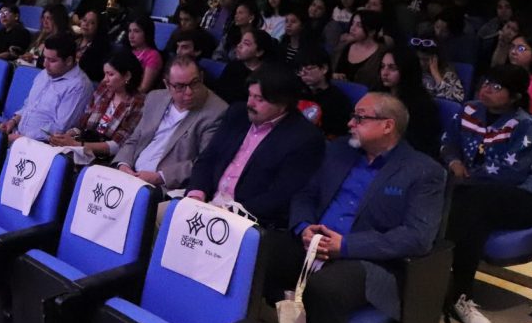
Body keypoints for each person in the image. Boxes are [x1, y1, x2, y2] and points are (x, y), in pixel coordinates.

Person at [266, 93, 446, 323]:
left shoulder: (424, 172)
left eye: (360, 118)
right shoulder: (340, 152)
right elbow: (305, 195)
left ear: (387, 125)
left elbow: (417, 237)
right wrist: (304, 227)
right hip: (316, 244)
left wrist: (346, 246)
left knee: (327, 288)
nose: (350, 123)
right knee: (258, 249)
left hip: (369, 261)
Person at [441, 65, 532, 323]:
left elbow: (510, 174)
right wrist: (453, 162)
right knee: (477, 218)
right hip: (475, 195)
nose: (486, 89)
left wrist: (466, 179)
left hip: (522, 199)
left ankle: (436, 271)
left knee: (474, 202)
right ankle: (459, 294)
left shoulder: (525, 127)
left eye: (497, 87)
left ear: (514, 97)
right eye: (486, 82)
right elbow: (449, 142)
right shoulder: (469, 111)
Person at [186, 63, 326, 228]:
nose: (250, 103)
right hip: (206, 203)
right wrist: (196, 194)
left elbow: (281, 195)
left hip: (246, 220)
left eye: (259, 99)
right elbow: (208, 158)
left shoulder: (305, 138)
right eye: (250, 95)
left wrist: (230, 212)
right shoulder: (237, 114)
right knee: (163, 219)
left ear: (283, 104)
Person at [112, 54, 227, 194]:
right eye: (180, 86)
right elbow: (135, 138)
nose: (189, 92)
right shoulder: (155, 98)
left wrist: (160, 177)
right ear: (167, 84)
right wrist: (123, 165)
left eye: (194, 83)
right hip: (130, 174)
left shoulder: (216, 112)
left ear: (202, 78)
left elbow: (204, 163)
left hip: (164, 187)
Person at [48, 48, 147, 162]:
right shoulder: (104, 89)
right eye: (105, 74)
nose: (105, 80)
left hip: (105, 158)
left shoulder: (138, 103)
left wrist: (76, 144)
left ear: (127, 76)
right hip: (83, 146)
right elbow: (83, 125)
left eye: (110, 74)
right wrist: (67, 136)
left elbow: (117, 145)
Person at [0, 35, 92, 143]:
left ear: (69, 61)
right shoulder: (45, 73)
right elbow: (29, 106)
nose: (45, 64)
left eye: (52, 60)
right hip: (18, 135)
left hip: (41, 144)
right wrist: (13, 121)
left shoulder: (79, 86)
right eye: (45, 58)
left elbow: (60, 129)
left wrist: (20, 139)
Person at [374, 45, 442, 157]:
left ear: (406, 70)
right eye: (382, 66)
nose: (385, 73)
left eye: (392, 68)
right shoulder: (377, 93)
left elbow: (419, 144)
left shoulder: (421, 105)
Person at [295, 46, 353, 139]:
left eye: (308, 69)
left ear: (324, 69)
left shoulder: (337, 100)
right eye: (300, 70)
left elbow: (337, 134)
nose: (303, 74)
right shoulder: (297, 92)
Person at [332, 9, 385, 89]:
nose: (352, 28)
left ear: (372, 31)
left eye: (359, 25)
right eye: (352, 23)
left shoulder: (382, 54)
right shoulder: (343, 47)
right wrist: (333, 76)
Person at [411, 36, 464, 102]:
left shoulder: (447, 73)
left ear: (435, 59)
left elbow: (458, 98)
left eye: (426, 60)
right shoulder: (412, 71)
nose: (421, 63)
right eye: (419, 59)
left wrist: (436, 74)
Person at [124, 14, 163, 92]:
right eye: (130, 31)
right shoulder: (127, 51)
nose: (131, 36)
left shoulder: (153, 55)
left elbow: (143, 88)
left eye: (136, 31)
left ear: (146, 33)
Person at [75, 9, 111, 83]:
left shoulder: (100, 50)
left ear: (98, 27)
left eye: (92, 22)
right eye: (84, 20)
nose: (86, 24)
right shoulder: (74, 40)